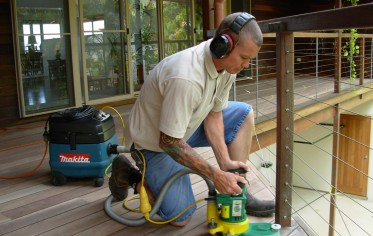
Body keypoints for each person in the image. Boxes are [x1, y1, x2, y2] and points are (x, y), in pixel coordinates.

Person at [109, 12, 275, 227]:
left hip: (185, 126)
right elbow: (169, 142)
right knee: (180, 217)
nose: (246, 65)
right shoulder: (186, 77)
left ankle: (237, 189)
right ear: (223, 45)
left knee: (244, 113)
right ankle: (130, 173)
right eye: (244, 58)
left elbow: (214, 113)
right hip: (154, 143)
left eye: (250, 59)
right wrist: (215, 175)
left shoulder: (227, 66)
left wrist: (224, 164)